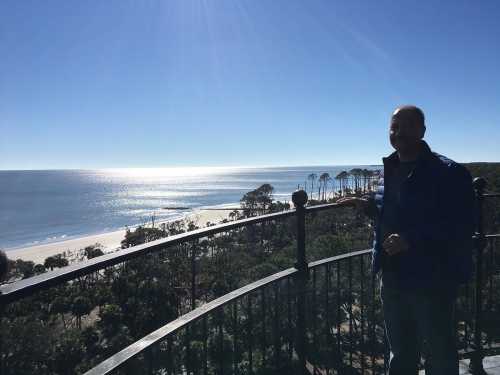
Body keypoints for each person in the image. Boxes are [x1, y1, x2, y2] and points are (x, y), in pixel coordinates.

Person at [338, 105, 474, 375]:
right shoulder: (388, 170)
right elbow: (391, 210)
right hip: (392, 277)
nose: (398, 132)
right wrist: (366, 205)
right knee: (400, 353)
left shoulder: (448, 172)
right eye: (394, 127)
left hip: (432, 279)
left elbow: (461, 224)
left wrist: (411, 239)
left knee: (440, 352)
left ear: (422, 131)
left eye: (406, 126)